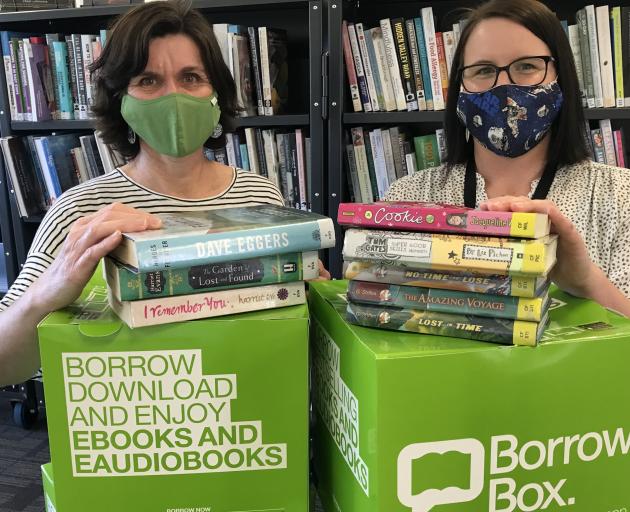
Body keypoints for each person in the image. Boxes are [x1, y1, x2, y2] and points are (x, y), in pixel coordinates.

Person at [0, 0, 329, 387]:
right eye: (148, 81)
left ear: (216, 94)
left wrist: (312, 298)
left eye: (191, 78)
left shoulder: (259, 196)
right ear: (120, 100)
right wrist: (45, 295)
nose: (174, 97)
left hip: (245, 418)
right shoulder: (82, 211)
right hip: (140, 423)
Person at [385, 0, 630, 316]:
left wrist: (586, 282)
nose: (504, 86)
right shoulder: (405, 199)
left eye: (527, 66)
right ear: (460, 85)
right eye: (484, 70)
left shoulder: (622, 195)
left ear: (562, 75)